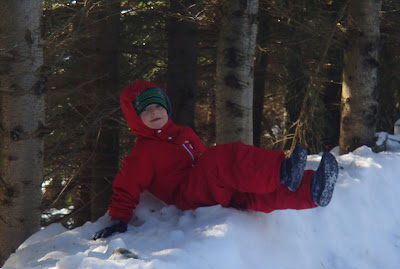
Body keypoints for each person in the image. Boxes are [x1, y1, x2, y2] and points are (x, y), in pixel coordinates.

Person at [92, 80, 339, 240]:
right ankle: (283, 170)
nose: (153, 113)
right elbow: (127, 185)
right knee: (222, 158)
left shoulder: (183, 133)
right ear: (135, 119)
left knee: (252, 193)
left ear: (167, 107)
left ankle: (312, 189)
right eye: (145, 110)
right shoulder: (143, 153)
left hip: (208, 186)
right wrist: (118, 218)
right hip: (188, 193)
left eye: (157, 106)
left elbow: (203, 160)